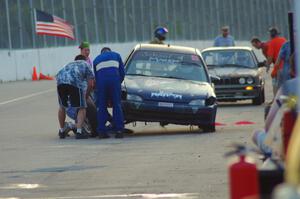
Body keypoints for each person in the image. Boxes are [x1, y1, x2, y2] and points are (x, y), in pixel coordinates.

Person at [56, 55, 94, 139]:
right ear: (85, 60)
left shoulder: (69, 64)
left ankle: (62, 131)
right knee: (82, 106)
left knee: (62, 106)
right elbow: (91, 84)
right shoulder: (86, 64)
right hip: (74, 82)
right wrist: (86, 96)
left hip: (60, 81)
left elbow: (59, 74)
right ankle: (79, 132)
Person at [93, 47, 125, 139]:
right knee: (117, 105)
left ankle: (102, 132)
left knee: (102, 106)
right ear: (110, 51)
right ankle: (119, 130)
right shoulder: (116, 55)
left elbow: (96, 77)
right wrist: (117, 84)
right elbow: (122, 73)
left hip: (101, 83)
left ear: (101, 52)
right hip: (114, 81)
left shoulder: (96, 60)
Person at [265, 27, 287, 96]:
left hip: (278, 68)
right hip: (287, 67)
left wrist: (267, 66)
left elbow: (270, 58)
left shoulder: (272, 43)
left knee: (275, 83)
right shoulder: (284, 40)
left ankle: (276, 100)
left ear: (271, 35)